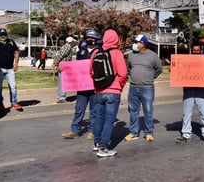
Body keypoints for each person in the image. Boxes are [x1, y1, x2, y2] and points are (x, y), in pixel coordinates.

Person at [90, 29, 127, 157]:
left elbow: (91, 71)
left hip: (99, 91)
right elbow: (123, 73)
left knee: (99, 118)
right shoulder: (117, 53)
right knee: (109, 120)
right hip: (113, 91)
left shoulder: (95, 52)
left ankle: (96, 142)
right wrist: (119, 86)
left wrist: (98, 84)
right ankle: (104, 147)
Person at [62, 30, 101, 140]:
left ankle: (92, 130)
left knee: (94, 110)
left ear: (96, 39)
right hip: (82, 86)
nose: (90, 40)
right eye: (88, 38)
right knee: (79, 109)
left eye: (92, 38)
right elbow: (77, 67)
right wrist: (65, 69)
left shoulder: (99, 51)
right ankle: (75, 130)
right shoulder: (81, 52)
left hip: (94, 85)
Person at [125, 34, 162, 142]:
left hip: (147, 88)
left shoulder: (153, 56)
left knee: (148, 111)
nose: (134, 44)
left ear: (143, 44)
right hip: (133, 87)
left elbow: (159, 69)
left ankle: (148, 132)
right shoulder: (131, 55)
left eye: (136, 42)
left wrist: (151, 77)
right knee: (133, 111)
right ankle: (133, 132)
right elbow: (129, 68)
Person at [175, 43, 204, 145]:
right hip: (189, 90)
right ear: (191, 50)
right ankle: (186, 134)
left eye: (197, 50)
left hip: (201, 90)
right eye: (194, 50)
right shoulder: (186, 61)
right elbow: (179, 72)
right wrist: (173, 70)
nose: (195, 52)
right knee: (186, 114)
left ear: (201, 50)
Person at [0, 28, 22, 111]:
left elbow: (17, 52)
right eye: (1, 35)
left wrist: (16, 63)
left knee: (13, 86)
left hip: (10, 69)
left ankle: (14, 102)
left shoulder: (11, 42)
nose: (3, 36)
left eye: (4, 34)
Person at [53, 36, 76, 103]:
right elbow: (61, 55)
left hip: (62, 66)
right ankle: (62, 97)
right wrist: (55, 62)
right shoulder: (67, 47)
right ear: (70, 42)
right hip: (64, 67)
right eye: (73, 42)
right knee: (63, 82)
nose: (73, 43)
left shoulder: (64, 46)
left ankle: (61, 96)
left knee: (61, 82)